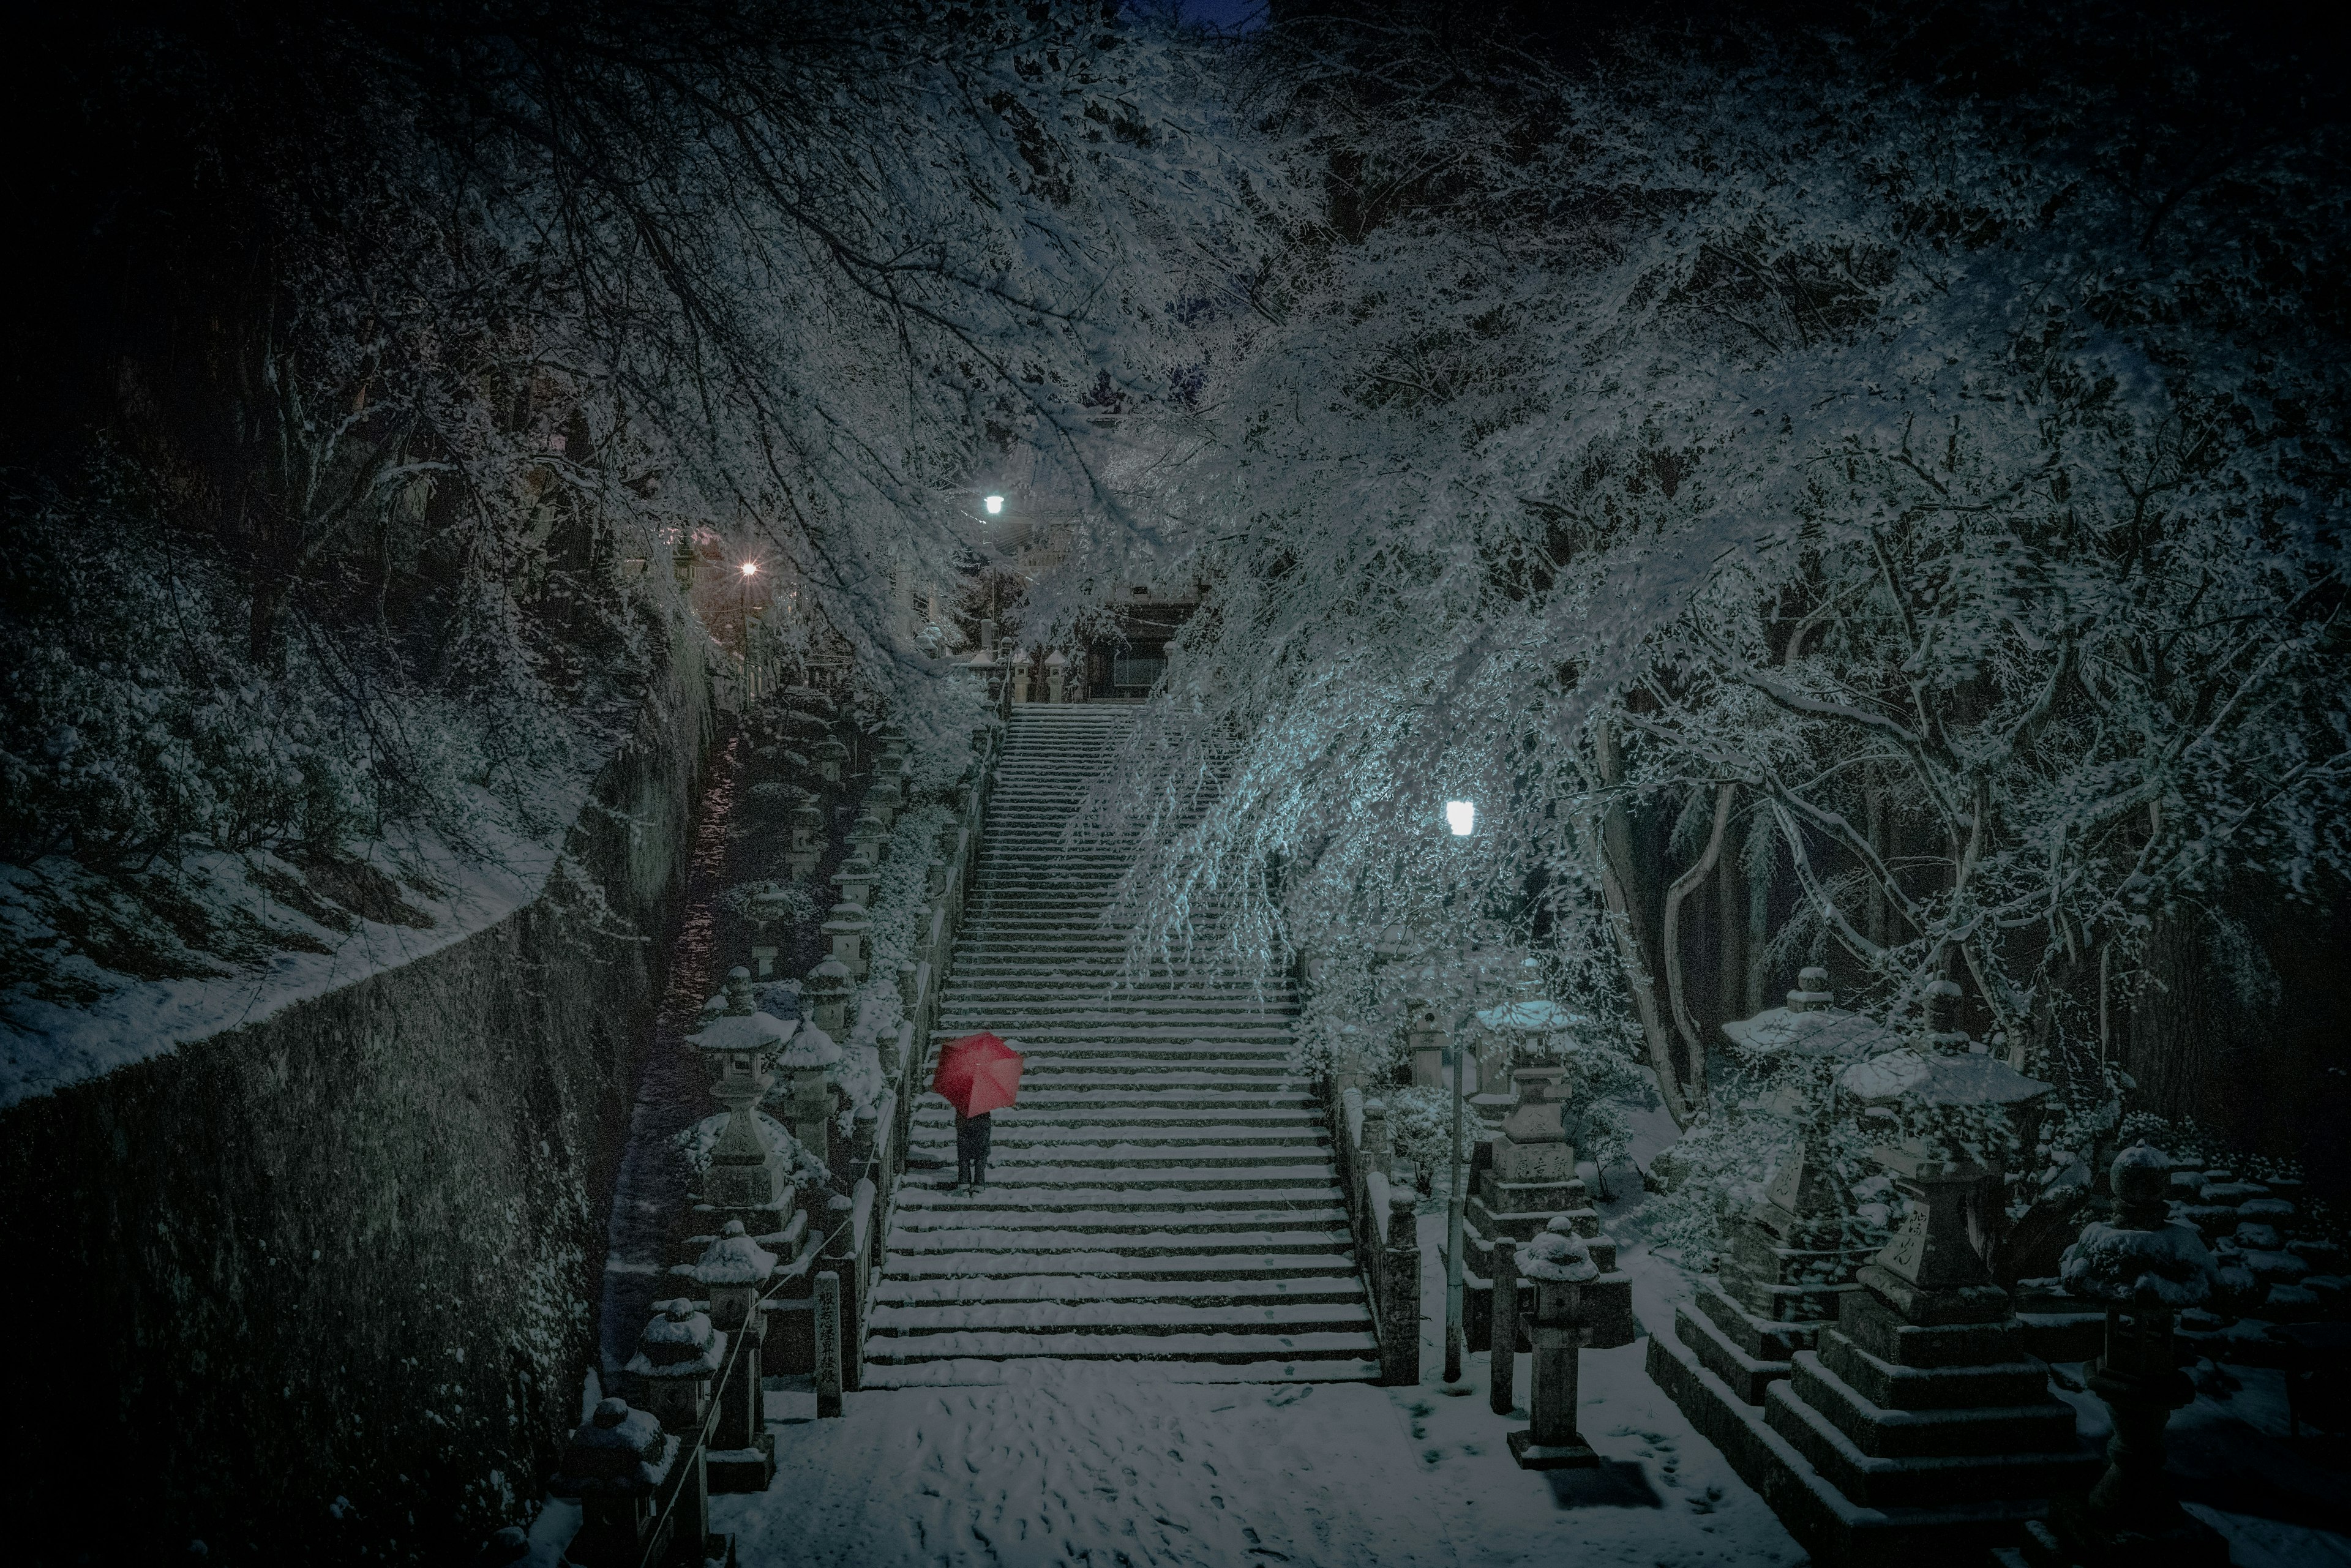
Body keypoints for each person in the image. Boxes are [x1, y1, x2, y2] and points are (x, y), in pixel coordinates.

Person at [955, 1107, 991, 1191]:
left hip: (964, 1119)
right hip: (982, 1121)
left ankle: (964, 1185)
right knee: (981, 1156)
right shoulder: (984, 1099)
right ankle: (979, 1185)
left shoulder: (963, 1097)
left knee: (964, 1155)